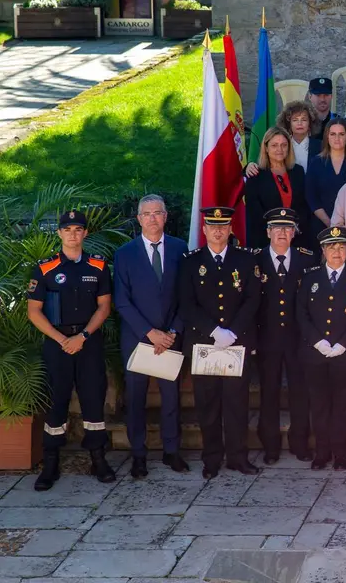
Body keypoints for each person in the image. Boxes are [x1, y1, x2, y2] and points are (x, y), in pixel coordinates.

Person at [27, 210, 115, 491]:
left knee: (93, 398)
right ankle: (50, 463)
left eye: (78, 229)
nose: (73, 234)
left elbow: (104, 306)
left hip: (88, 343)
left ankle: (98, 459)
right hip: (57, 344)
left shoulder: (98, 267)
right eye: (68, 229)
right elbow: (34, 311)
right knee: (56, 402)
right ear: (59, 233)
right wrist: (61, 339)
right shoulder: (44, 269)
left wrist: (83, 336)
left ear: (85, 234)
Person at [178, 206, 261, 479]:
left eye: (223, 226)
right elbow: (187, 304)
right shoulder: (190, 262)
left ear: (229, 229)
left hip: (236, 343)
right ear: (203, 230)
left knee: (237, 404)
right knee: (208, 404)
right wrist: (215, 331)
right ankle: (211, 459)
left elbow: (252, 300)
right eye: (212, 226)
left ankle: (238, 457)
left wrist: (232, 332)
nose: (217, 231)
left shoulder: (245, 261)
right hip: (205, 344)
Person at [112, 195, 189, 479]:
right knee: (135, 399)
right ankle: (139, 455)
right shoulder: (125, 253)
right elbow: (121, 301)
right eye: (147, 213)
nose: (153, 218)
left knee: (171, 398)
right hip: (138, 339)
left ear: (166, 216)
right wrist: (150, 333)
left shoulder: (181, 249)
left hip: (171, 338)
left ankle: (172, 451)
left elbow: (186, 296)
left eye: (158, 212)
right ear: (139, 218)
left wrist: (172, 332)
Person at [298, 225, 346, 470]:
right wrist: (318, 342)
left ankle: (340, 453)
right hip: (315, 354)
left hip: (345, 354)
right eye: (331, 247)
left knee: (342, 405)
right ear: (323, 250)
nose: (337, 252)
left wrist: (342, 344)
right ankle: (322, 452)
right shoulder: (310, 277)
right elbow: (301, 313)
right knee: (319, 404)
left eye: (341, 247)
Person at [255, 208, 318, 464]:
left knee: (300, 393)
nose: (282, 233)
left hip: (297, 338)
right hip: (266, 339)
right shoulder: (255, 260)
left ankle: (299, 443)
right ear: (268, 232)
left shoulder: (307, 259)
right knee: (268, 393)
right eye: (277, 228)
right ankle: (270, 446)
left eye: (287, 228)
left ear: (294, 233)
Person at [246, 127, 311, 250]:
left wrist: (293, 229)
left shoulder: (298, 171)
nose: (279, 150)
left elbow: (303, 206)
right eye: (274, 145)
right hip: (265, 241)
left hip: (296, 239)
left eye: (284, 145)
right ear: (266, 147)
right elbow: (254, 212)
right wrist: (277, 232)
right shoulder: (255, 174)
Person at [306, 119, 346, 235]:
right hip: (321, 226)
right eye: (333, 134)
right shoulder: (316, 163)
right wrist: (330, 223)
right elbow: (311, 196)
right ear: (327, 137)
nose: (337, 138)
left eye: (341, 134)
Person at [280, 100, 317, 174]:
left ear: (310, 123)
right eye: (295, 120)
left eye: (304, 119)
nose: (299, 123)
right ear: (289, 123)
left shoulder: (320, 146)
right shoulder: (281, 145)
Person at [308, 76, 345, 143]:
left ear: (331, 96)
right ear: (310, 96)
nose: (322, 99)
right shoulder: (304, 123)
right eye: (318, 95)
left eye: (326, 95)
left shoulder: (340, 122)